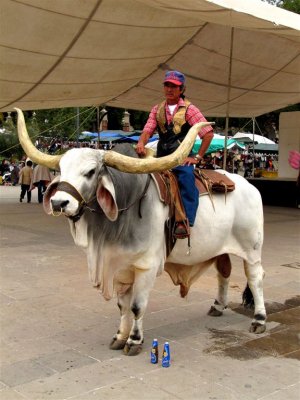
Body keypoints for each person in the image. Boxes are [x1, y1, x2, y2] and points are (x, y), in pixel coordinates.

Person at [136, 70, 213, 235]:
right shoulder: (157, 109)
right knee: (140, 177)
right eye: (167, 85)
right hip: (161, 157)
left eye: (174, 86)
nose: (169, 89)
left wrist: (197, 157)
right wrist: (142, 142)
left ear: (181, 89)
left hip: (180, 158)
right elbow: (147, 130)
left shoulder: (190, 109)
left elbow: (208, 134)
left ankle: (185, 220)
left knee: (186, 178)